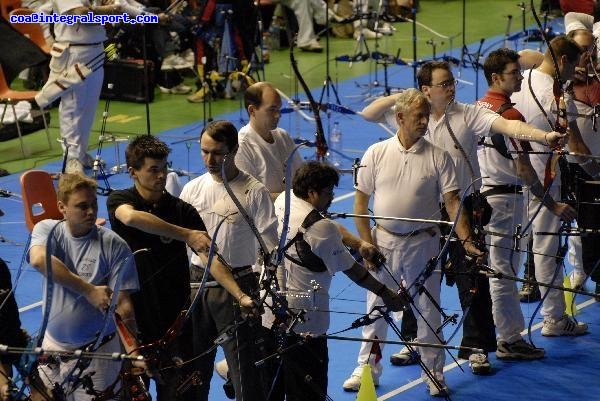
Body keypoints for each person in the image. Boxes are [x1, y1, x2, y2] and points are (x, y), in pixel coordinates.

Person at [344, 88, 485, 396]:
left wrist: (466, 240)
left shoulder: (438, 156)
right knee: (376, 305)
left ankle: (434, 373)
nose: (425, 121)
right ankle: (367, 368)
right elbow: (360, 204)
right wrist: (366, 245)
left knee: (428, 310)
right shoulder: (376, 153)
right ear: (399, 118)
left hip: (424, 245)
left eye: (426, 115)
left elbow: (451, 202)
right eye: (418, 116)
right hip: (383, 244)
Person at [107, 135, 255, 400]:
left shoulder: (181, 210)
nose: (162, 175)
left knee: (178, 393)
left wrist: (239, 294)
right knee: (129, 394)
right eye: (153, 169)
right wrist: (185, 235)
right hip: (133, 321)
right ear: (133, 172)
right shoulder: (120, 200)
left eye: (164, 167)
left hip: (174, 320)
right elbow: (130, 218)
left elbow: (210, 258)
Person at [273, 161, 407, 401]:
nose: (332, 197)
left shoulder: (286, 200)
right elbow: (354, 271)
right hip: (307, 321)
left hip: (275, 313)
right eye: (327, 192)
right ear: (312, 192)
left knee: (276, 383)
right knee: (308, 392)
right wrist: (387, 293)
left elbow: (325, 222)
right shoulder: (319, 228)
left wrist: (359, 244)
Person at [477, 48, 576, 361]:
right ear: (496, 78)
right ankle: (508, 339)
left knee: (500, 269)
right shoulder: (509, 114)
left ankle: (503, 338)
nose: (520, 77)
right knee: (504, 272)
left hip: (487, 197)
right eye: (513, 73)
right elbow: (524, 168)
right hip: (506, 200)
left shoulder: (479, 107)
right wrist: (553, 206)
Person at [179, 120, 278, 401]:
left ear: (234, 150)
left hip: (240, 286)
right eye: (204, 152)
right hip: (197, 284)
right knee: (193, 368)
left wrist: (264, 293)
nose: (210, 160)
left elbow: (269, 247)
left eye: (218, 153)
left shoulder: (253, 191)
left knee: (245, 371)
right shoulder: (191, 190)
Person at [27, 173, 145, 400]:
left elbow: (123, 305)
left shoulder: (114, 245)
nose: (91, 212)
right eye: (82, 206)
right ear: (62, 207)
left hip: (98, 354)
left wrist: (133, 351)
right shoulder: (47, 230)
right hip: (53, 347)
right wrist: (89, 290)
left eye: (93, 204)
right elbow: (39, 260)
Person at [511, 35, 595, 337]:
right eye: (572, 68)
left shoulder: (520, 79)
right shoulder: (558, 100)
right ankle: (555, 321)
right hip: (542, 181)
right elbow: (579, 151)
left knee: (510, 253)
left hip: (509, 180)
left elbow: (527, 55)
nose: (575, 75)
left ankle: (506, 333)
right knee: (547, 251)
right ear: (562, 61)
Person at [44, 1, 124, 174]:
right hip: (73, 53)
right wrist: (108, 9)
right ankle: (71, 158)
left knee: (89, 107)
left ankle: (80, 153)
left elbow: (109, 11)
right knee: (73, 108)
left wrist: (109, 9)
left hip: (96, 49)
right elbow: (81, 14)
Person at [237, 81, 303, 200]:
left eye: (278, 109)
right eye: (272, 109)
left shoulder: (283, 136)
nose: (278, 115)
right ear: (252, 110)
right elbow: (249, 197)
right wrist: (293, 200)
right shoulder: (242, 146)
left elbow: (302, 175)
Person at [1, 257, 52, 401]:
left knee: (43, 394)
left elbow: (8, 309)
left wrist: (17, 332)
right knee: (5, 392)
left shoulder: (1, 268)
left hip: (14, 339)